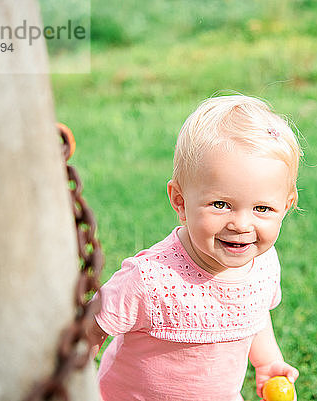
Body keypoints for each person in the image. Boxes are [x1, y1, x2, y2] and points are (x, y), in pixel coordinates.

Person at [87, 94, 302, 401]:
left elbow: (253, 315)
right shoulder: (149, 279)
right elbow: (91, 329)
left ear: (286, 205)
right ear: (180, 201)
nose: (241, 224)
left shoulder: (264, 264)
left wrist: (267, 361)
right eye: (220, 204)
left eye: (262, 209)